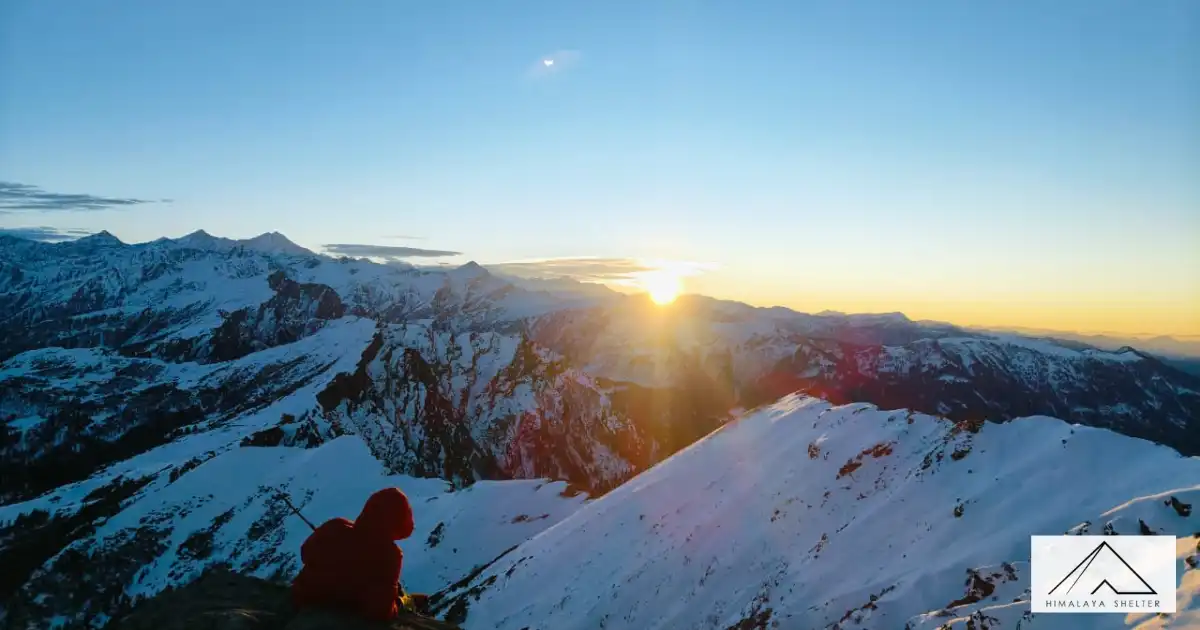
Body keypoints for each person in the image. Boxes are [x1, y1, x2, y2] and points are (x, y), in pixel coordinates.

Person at [291, 487, 418, 622]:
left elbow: (305, 552)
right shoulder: (390, 556)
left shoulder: (335, 526)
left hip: (304, 599)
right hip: (343, 619)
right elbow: (380, 611)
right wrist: (397, 604)